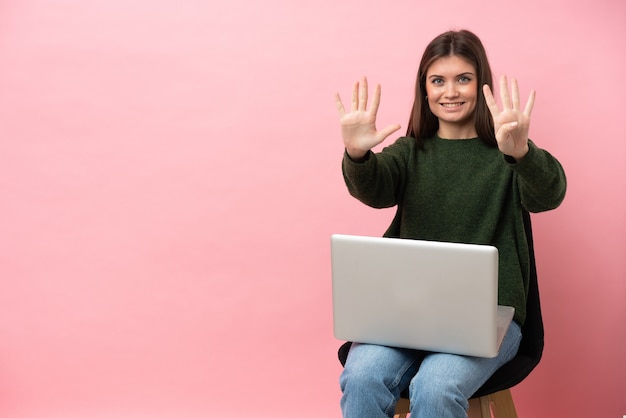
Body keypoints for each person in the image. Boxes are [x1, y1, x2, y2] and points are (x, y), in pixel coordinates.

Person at [333, 29, 566, 418]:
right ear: (425, 90)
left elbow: (550, 193)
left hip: (489, 318)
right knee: (362, 377)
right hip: (404, 315)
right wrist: (357, 154)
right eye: (438, 81)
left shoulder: (506, 153)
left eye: (463, 79)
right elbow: (374, 189)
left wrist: (522, 153)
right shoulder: (410, 153)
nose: (450, 91)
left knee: (437, 386)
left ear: (481, 84)